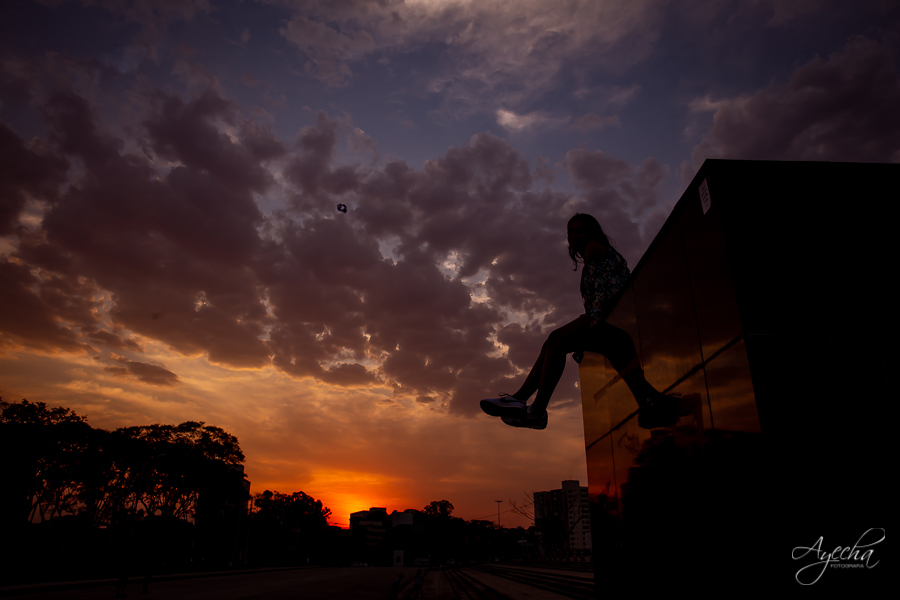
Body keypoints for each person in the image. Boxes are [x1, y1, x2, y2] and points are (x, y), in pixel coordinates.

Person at [480, 213, 685, 430]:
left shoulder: (594, 248)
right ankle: (661, 405)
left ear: (592, 232)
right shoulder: (593, 255)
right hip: (609, 321)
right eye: (570, 232)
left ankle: (531, 407)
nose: (574, 235)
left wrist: (594, 320)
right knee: (559, 347)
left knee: (555, 340)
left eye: (579, 230)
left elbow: (610, 291)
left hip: (610, 319)